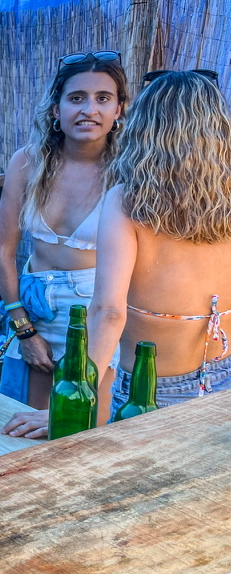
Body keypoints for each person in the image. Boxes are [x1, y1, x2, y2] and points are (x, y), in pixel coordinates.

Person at [0, 51, 129, 439]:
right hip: (33, 308)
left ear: (119, 109)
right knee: (26, 433)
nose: (89, 109)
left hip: (96, 314)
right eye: (76, 98)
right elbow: (2, 252)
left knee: (85, 432)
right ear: (56, 109)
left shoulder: (129, 170)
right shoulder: (28, 162)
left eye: (103, 98)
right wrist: (23, 330)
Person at [88, 70, 231, 413]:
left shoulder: (126, 200)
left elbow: (109, 311)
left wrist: (81, 392)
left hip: (150, 391)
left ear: (144, 128)